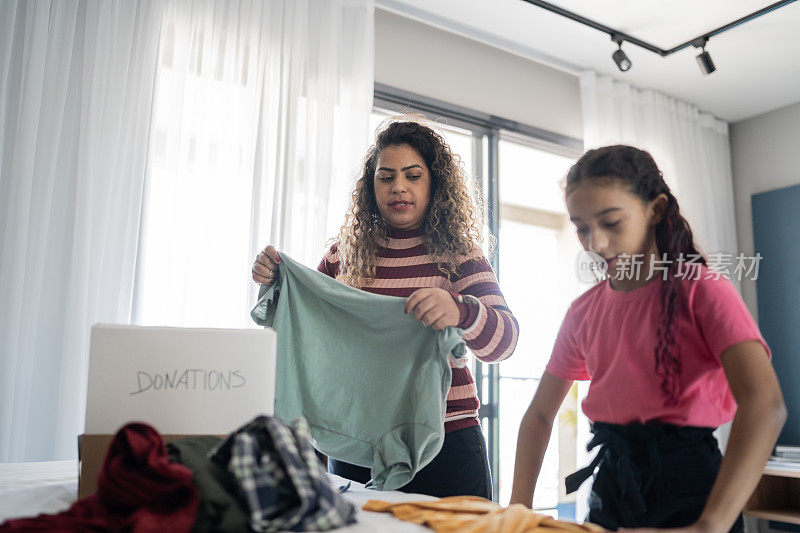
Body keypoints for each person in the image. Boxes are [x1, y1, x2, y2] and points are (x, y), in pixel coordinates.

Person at [509, 145, 785, 532]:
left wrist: (710, 526)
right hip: (612, 488)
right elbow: (538, 415)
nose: (596, 244)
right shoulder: (582, 312)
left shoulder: (703, 292)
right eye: (582, 227)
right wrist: (516, 510)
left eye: (611, 223)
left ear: (655, 210)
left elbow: (765, 405)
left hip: (691, 492)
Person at [252, 119, 519, 499]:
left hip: (447, 443)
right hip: (355, 441)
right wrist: (276, 283)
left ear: (434, 184)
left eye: (413, 175)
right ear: (370, 186)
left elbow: (505, 343)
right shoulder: (342, 257)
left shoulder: (459, 256)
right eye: (385, 176)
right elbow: (303, 333)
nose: (398, 187)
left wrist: (461, 311)